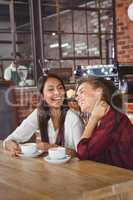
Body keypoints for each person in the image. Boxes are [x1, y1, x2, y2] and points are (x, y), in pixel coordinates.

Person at [3, 74, 84, 157]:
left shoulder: (73, 119)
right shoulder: (39, 113)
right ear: (42, 96)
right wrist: (11, 145)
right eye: (51, 89)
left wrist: (51, 147)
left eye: (60, 88)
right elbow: (10, 139)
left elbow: (81, 154)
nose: (57, 93)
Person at [76, 76, 133, 170]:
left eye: (81, 92)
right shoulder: (103, 118)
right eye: (77, 96)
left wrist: (93, 118)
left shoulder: (114, 118)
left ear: (99, 92)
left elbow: (82, 153)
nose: (77, 98)